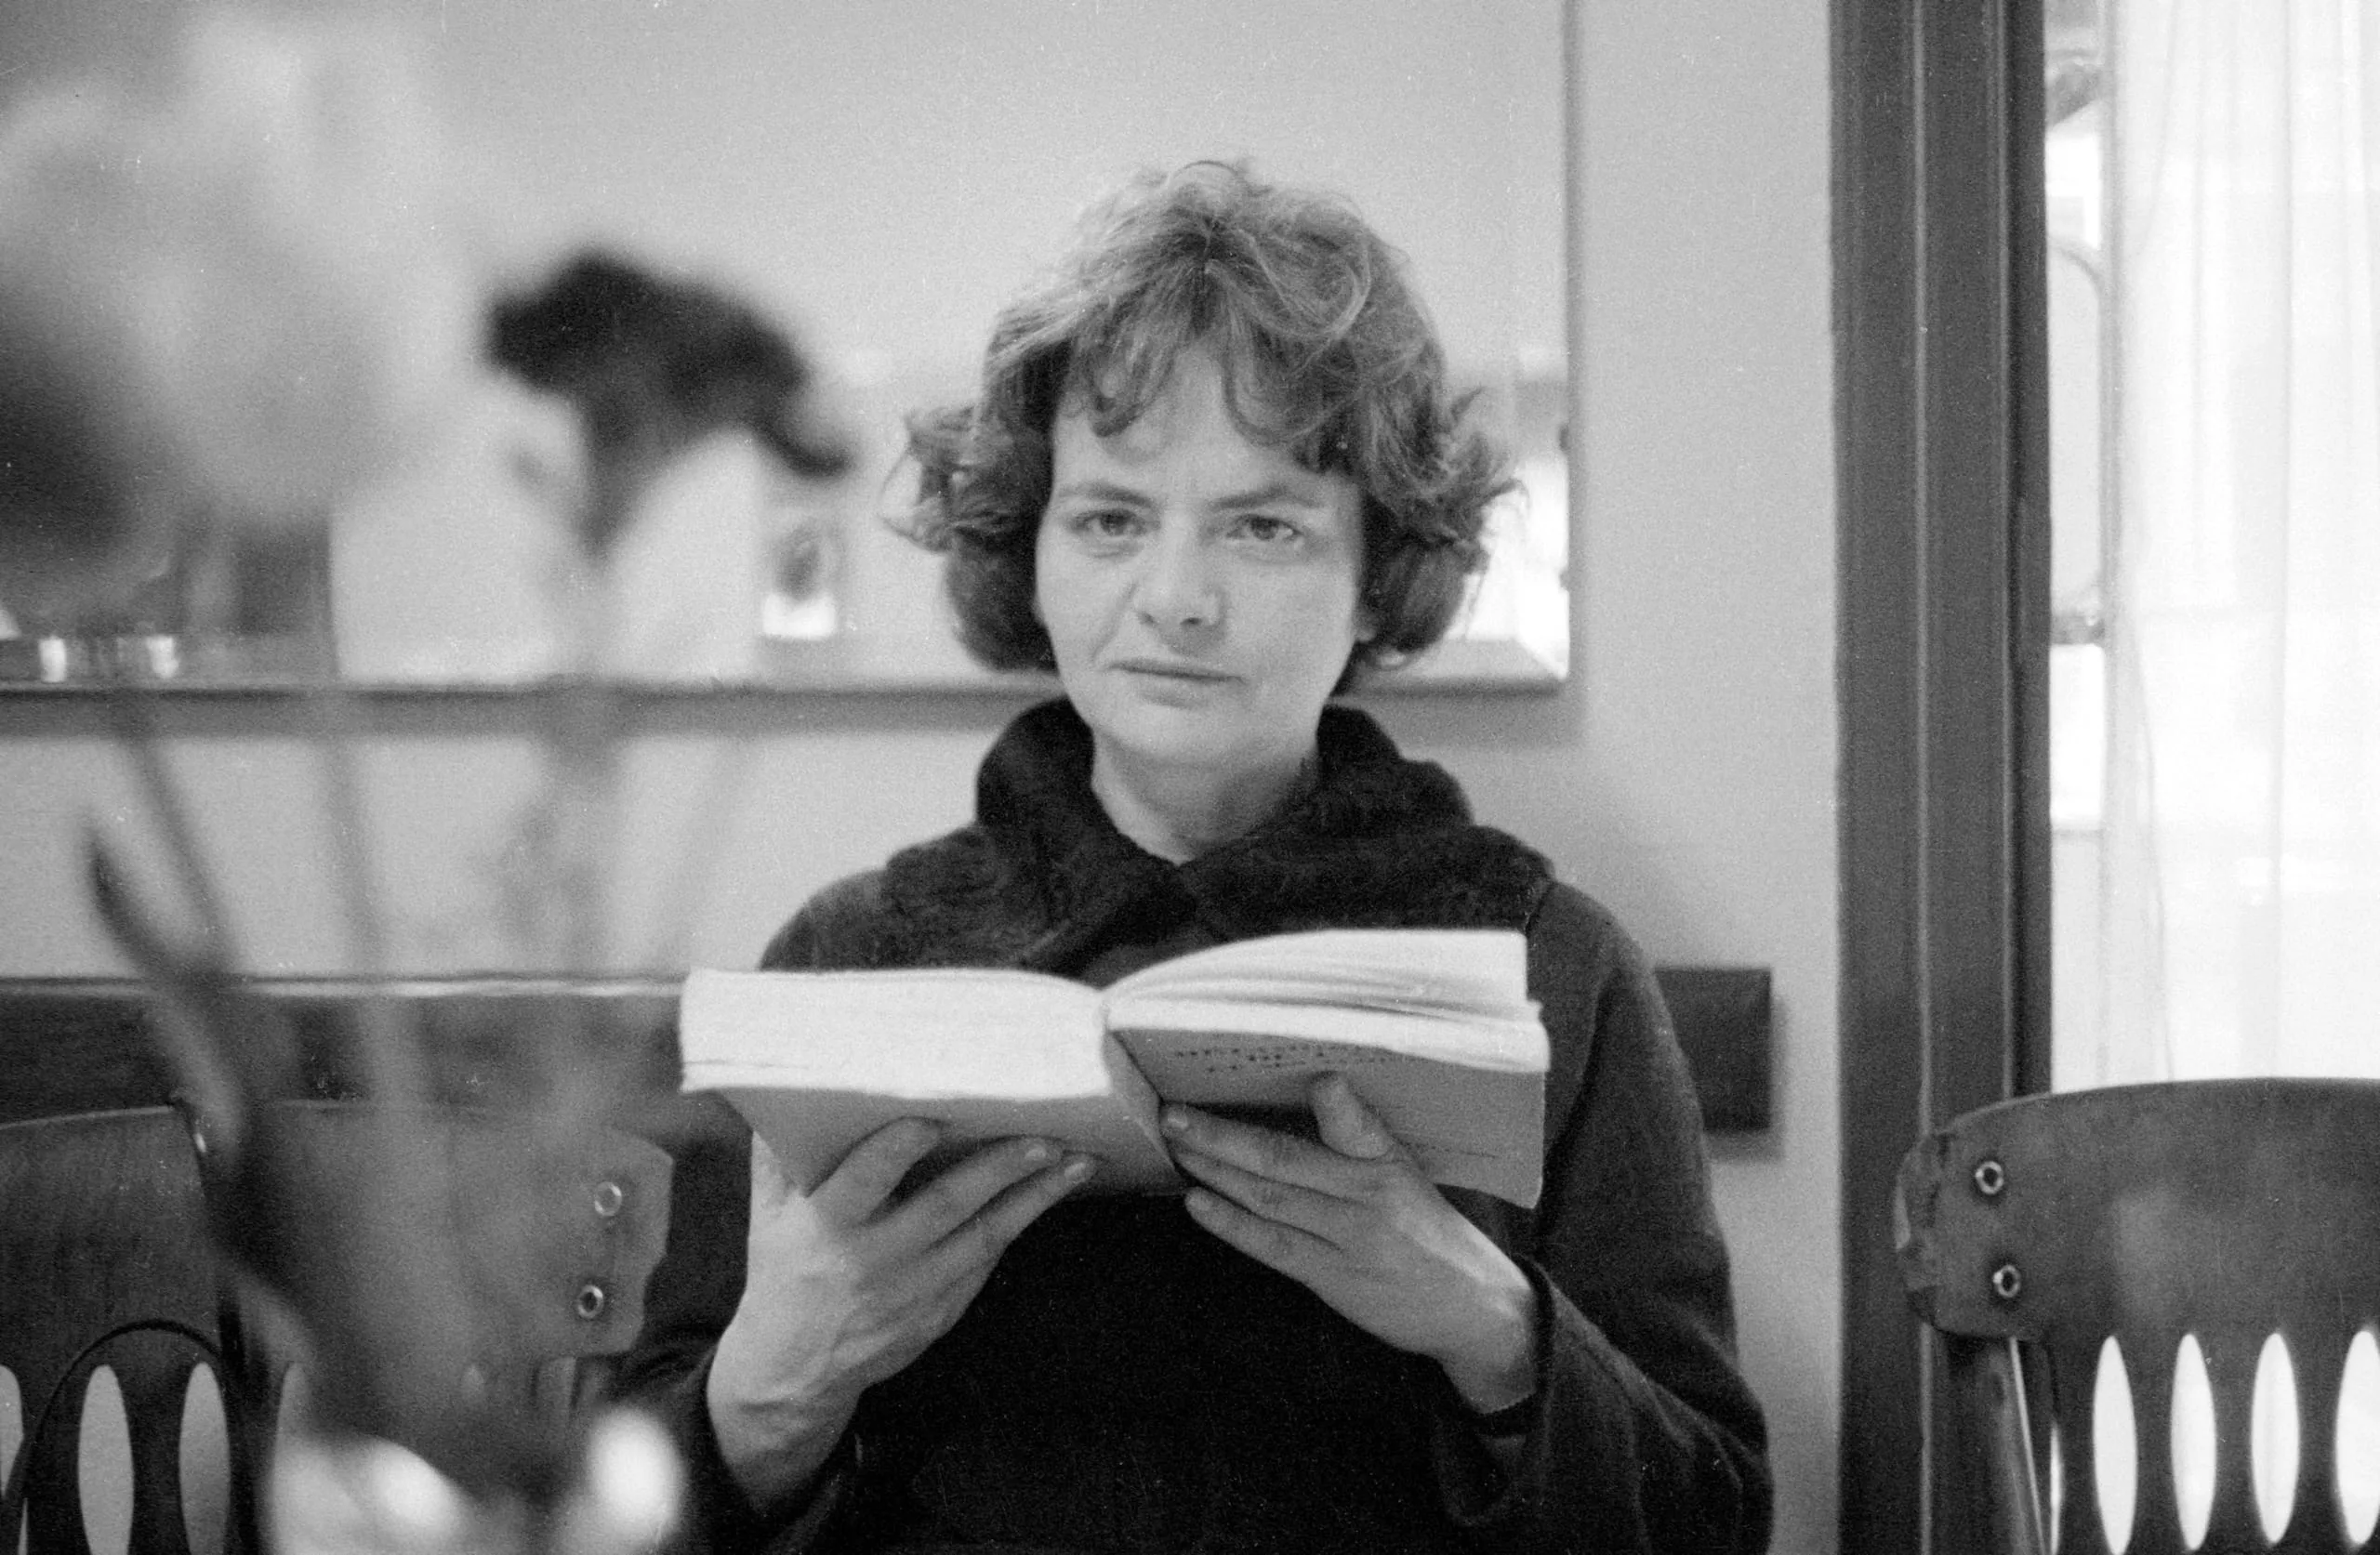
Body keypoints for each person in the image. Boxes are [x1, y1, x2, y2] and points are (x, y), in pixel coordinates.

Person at [621, 161, 1772, 1554]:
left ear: (1378, 576)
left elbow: (1714, 1518)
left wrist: (1490, 1328)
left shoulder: (1551, 966)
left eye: (1263, 526)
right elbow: (621, 1513)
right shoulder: (847, 962)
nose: (1175, 599)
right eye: (1111, 519)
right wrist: (772, 1386)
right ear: (1031, 555)